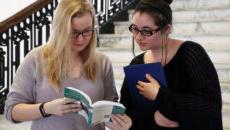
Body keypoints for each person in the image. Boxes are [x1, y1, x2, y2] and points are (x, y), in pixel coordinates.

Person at [4, 0, 131, 130]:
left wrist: (117, 122)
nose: (81, 39)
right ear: (59, 30)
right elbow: (11, 111)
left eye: (87, 31)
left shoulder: (102, 62)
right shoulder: (36, 59)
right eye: (73, 33)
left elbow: (109, 112)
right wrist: (46, 108)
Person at [120, 0, 223, 130]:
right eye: (134, 29)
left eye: (146, 31)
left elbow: (210, 106)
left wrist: (160, 95)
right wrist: (153, 118)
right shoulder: (136, 63)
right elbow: (126, 111)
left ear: (167, 29)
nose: (138, 37)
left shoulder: (191, 53)